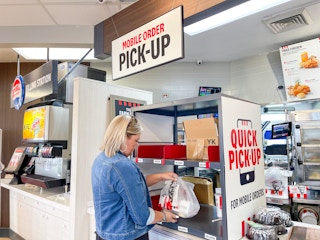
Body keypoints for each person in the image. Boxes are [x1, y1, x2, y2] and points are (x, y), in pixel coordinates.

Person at [92, 115, 179, 240]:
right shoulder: (122, 166)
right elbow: (143, 217)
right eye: (136, 140)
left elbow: (129, 187)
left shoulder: (101, 160)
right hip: (127, 236)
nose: (137, 145)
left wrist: (161, 176)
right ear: (123, 138)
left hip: (105, 233)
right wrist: (165, 216)